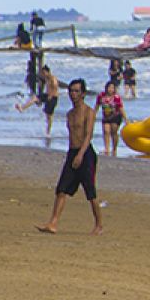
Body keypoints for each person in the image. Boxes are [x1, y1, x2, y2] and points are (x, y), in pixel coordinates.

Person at [36, 78, 103, 235]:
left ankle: (99, 224)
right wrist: (72, 154)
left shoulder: (89, 112)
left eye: (76, 91)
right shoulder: (70, 114)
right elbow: (72, 135)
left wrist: (80, 155)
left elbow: (88, 136)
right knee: (61, 189)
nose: (73, 94)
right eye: (71, 91)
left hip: (85, 153)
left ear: (83, 94)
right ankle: (53, 223)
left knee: (90, 192)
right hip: (72, 152)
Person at [17, 65, 61, 136]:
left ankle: (48, 132)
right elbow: (45, 87)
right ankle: (22, 108)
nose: (43, 74)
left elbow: (55, 87)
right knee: (34, 98)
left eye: (44, 73)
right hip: (47, 95)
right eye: (42, 73)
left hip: (53, 97)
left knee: (49, 116)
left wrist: (51, 95)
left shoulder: (53, 78)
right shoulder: (46, 78)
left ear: (48, 72)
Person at [94, 81, 127, 157]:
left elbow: (121, 108)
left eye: (112, 88)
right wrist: (93, 115)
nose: (110, 89)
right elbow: (97, 106)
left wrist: (125, 119)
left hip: (116, 117)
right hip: (106, 117)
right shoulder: (101, 96)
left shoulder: (116, 97)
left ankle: (114, 148)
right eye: (109, 87)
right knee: (106, 131)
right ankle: (107, 149)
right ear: (106, 88)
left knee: (114, 133)